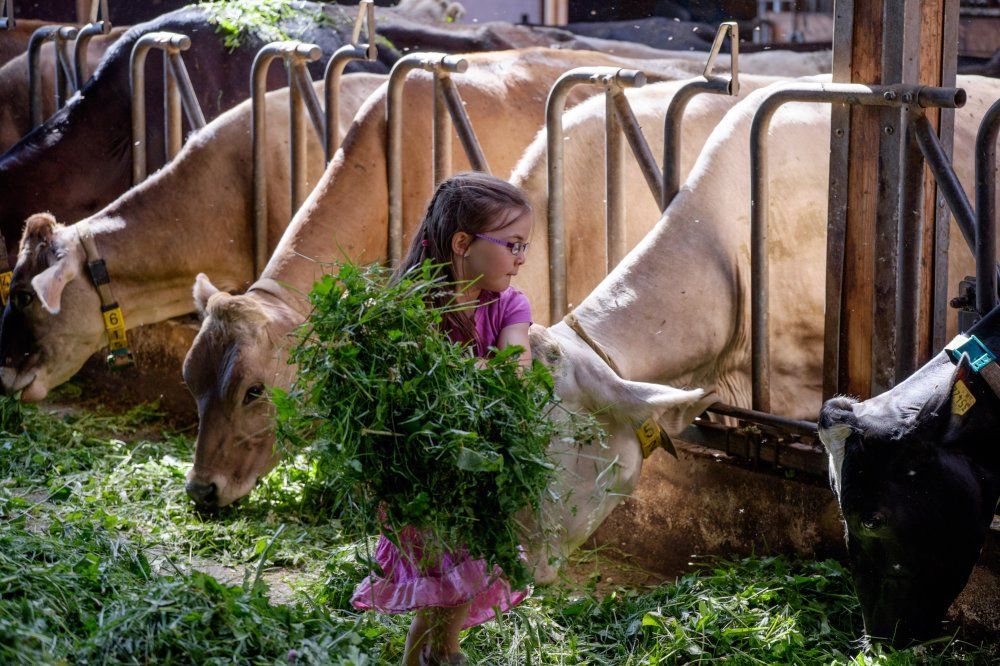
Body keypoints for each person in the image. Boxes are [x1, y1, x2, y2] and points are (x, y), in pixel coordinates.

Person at [351, 172, 535, 665]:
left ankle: (435, 656)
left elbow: (515, 373)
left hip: (477, 474)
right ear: (461, 244)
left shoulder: (509, 305)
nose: (521, 258)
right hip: (422, 479)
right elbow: (393, 384)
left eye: (526, 246)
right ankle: (443, 656)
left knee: (451, 592)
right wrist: (472, 369)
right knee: (445, 590)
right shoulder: (405, 309)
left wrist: (445, 368)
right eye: (513, 244)